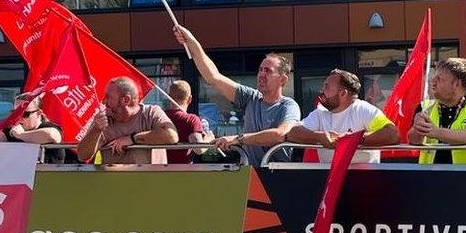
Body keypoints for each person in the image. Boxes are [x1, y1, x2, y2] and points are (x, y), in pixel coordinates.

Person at [173, 25, 301, 167]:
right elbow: (213, 77)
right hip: (249, 175)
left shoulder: (289, 106)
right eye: (260, 70)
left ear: (283, 80)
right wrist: (191, 41)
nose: (261, 74)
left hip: (277, 176)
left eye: (268, 71)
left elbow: (280, 134)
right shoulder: (250, 97)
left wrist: (238, 139)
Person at [287, 70, 400, 163]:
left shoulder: (363, 109)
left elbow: (393, 134)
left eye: (327, 87)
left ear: (343, 94)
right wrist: (319, 137)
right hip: (330, 182)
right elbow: (292, 133)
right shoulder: (320, 113)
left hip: (366, 179)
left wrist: (355, 139)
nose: (321, 91)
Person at [408, 58, 466, 164]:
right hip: (430, 176)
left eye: (439, 79)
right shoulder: (425, 106)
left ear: (456, 84)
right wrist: (418, 130)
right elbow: (414, 141)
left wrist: (436, 132)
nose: (433, 82)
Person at [77, 77, 178, 164]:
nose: (104, 101)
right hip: (115, 183)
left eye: (108, 97)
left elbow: (172, 136)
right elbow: (82, 155)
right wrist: (96, 129)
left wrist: (132, 139)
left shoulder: (151, 113)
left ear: (126, 100)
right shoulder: (103, 120)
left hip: (151, 183)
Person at [0, 94, 64, 162]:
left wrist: (21, 135)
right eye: (15, 113)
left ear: (39, 113)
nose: (19, 118)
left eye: (25, 114)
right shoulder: (12, 130)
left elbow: (50, 135)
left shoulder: (49, 127)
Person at [163, 80, 214, 163]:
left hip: (159, 169)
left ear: (169, 97)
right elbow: (199, 149)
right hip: (184, 170)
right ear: (190, 99)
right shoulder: (192, 119)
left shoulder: (160, 117)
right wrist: (209, 138)